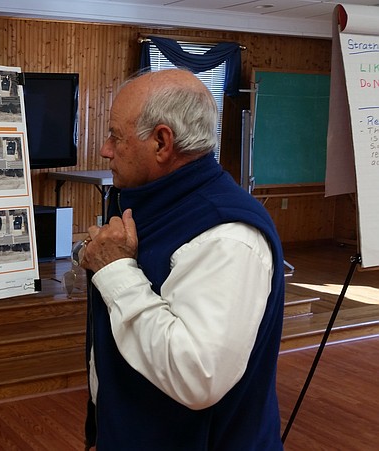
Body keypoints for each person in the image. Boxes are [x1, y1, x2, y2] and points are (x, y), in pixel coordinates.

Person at [78, 68, 285, 450]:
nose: (106, 149)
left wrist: (114, 270)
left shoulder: (228, 236)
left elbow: (197, 376)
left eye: (115, 136)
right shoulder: (145, 200)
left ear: (161, 142)